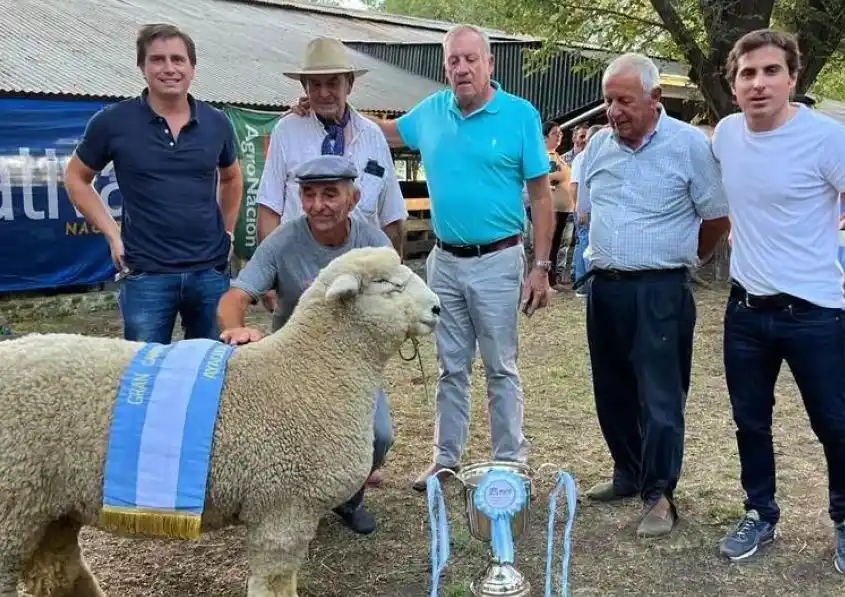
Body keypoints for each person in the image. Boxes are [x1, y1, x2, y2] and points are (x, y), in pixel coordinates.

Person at [292, 24, 555, 491]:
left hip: (498, 258)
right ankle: (445, 459)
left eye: (471, 59)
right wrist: (325, 109)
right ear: (446, 66)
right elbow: (382, 133)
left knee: (500, 366)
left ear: (489, 64)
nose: (462, 68)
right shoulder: (431, 111)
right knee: (450, 366)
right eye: (454, 60)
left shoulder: (519, 115)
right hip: (445, 262)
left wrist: (541, 265)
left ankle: (509, 463)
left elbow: (540, 195)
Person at [577, 52, 730, 538]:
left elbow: (716, 219)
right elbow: (585, 211)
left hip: (661, 290)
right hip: (605, 288)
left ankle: (660, 493)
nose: (614, 111)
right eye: (608, 101)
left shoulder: (688, 146)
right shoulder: (599, 146)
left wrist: (682, 259)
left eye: (624, 100)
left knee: (661, 396)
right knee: (613, 388)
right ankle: (627, 472)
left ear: (655, 98)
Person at [710, 29, 845, 569]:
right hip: (745, 311)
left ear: (792, 77)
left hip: (815, 313)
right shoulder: (724, 135)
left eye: (770, 71)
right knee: (750, 421)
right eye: (747, 73)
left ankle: (844, 519)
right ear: (734, 83)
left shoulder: (825, 138)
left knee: (834, 423)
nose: (759, 83)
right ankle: (760, 514)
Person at [216, 154, 395, 535]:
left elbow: (396, 297)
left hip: (352, 363)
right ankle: (284, 504)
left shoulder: (372, 242)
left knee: (379, 437)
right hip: (291, 361)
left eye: (330, 194)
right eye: (309, 194)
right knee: (283, 439)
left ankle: (350, 497)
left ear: (354, 198)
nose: (318, 205)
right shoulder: (284, 240)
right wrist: (235, 328)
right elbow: (235, 295)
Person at [64, 24, 243, 344]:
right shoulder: (112, 121)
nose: (169, 68)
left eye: (178, 59)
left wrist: (228, 232)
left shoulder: (217, 122)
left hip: (210, 273)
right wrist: (113, 234)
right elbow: (76, 178)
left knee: (214, 368)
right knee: (142, 374)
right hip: (146, 274)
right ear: (142, 68)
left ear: (192, 68)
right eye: (158, 59)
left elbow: (231, 177)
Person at [256, 37, 407, 257]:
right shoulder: (287, 131)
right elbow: (269, 210)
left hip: (362, 272)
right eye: (316, 84)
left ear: (350, 84)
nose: (324, 93)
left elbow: (392, 217)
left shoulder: (372, 136)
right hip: (300, 270)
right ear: (304, 87)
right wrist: (271, 276)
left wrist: (394, 275)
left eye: (333, 83)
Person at [543, 121, 575, 290]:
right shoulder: (547, 156)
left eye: (561, 133)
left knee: (555, 245)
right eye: (555, 133)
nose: (560, 136)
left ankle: (551, 279)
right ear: (545, 136)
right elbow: (548, 178)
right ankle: (549, 280)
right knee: (551, 245)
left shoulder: (556, 155)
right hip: (552, 208)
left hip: (561, 208)